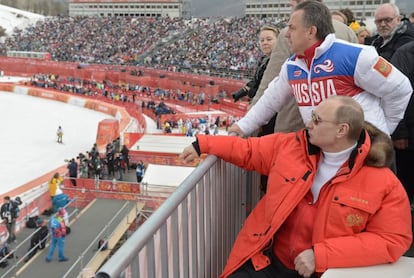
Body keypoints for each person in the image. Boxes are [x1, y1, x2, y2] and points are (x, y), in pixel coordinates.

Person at [180, 96, 413, 278]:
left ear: (342, 130)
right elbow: (249, 150)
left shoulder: (384, 183)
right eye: (312, 116)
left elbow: (392, 240)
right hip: (269, 261)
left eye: (317, 120)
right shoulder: (291, 145)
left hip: (326, 271)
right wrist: (203, 144)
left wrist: (322, 256)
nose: (308, 124)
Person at [229, 1, 412, 139]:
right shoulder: (293, 65)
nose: (286, 34)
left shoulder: (356, 55)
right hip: (326, 154)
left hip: (366, 156)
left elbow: (401, 88)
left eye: (292, 28)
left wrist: (384, 130)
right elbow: (270, 101)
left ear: (311, 31)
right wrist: (242, 127)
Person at [249, 0, 359, 136]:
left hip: (295, 127)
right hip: (339, 130)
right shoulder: (347, 31)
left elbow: (269, 81)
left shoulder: (287, 35)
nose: (291, 9)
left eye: (292, 5)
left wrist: (250, 123)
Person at [390, 41, 414, 209]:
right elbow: (393, 94)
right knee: (405, 189)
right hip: (409, 139)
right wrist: (399, 132)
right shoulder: (404, 54)